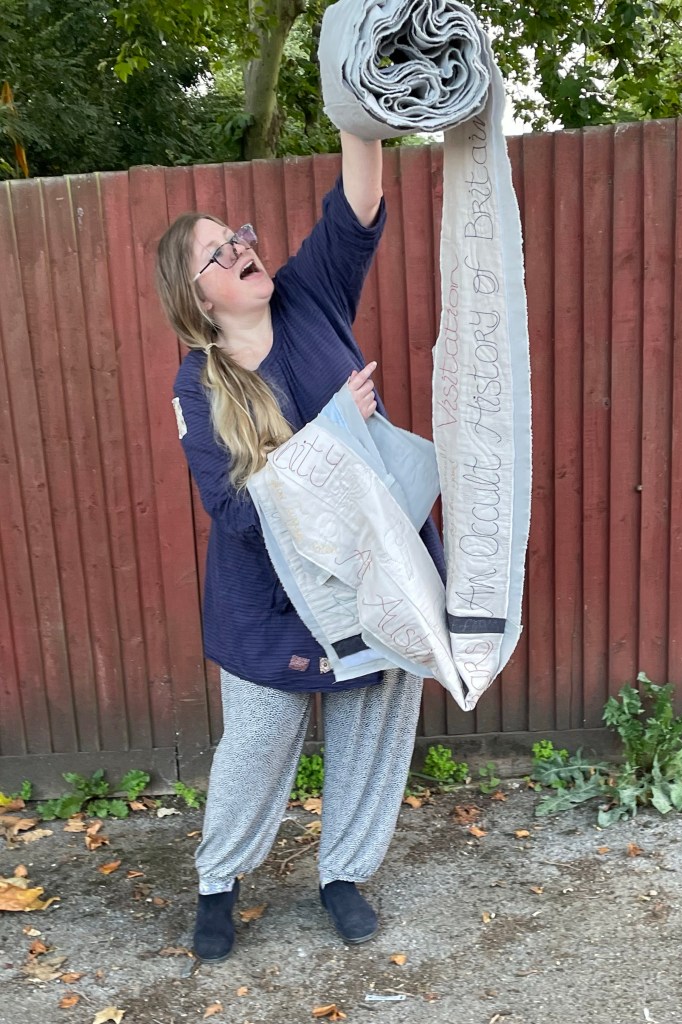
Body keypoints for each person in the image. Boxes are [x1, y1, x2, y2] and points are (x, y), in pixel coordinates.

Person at [155, 130, 445, 964]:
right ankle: (219, 882)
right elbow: (237, 511)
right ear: (199, 295)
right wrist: (335, 434)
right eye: (220, 251)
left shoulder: (309, 296)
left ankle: (342, 875)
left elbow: (355, 207)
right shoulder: (197, 384)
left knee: (373, 726)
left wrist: (360, 111)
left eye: (238, 235)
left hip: (375, 573)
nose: (243, 247)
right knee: (254, 746)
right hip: (270, 604)